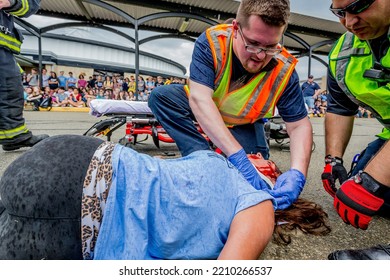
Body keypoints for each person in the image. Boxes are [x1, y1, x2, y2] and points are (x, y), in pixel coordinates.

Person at [148, 0, 312, 211]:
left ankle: (224, 156)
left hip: (243, 123)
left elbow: (298, 125)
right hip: (206, 107)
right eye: (252, 44)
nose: (260, 56)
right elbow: (200, 99)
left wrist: (298, 173)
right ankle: (201, 157)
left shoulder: (283, 70)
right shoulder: (212, 43)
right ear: (236, 29)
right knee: (161, 96)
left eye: (271, 47)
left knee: (255, 173)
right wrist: (238, 158)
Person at [0, 134, 275, 260]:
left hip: (80, 198)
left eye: (266, 162)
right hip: (85, 176)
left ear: (270, 177)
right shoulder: (213, 160)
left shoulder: (257, 199)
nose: (256, 156)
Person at [321, 0, 390, 260]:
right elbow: (339, 107)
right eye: (340, 13)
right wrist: (332, 160)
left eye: (358, 7)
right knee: (361, 188)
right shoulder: (343, 54)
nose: (349, 23)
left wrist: (371, 181)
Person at [0, 0, 49, 151]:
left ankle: (13, 135)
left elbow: (30, 5)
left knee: (10, 90)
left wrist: (10, 2)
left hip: (4, 50)